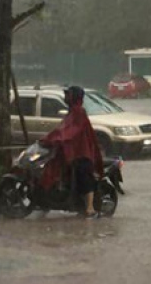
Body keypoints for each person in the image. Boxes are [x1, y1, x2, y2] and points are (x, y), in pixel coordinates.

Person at [40, 86, 104, 218]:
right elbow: (61, 129)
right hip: (71, 151)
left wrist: (58, 138)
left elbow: (71, 132)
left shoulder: (79, 112)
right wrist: (48, 138)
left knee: (84, 175)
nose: (65, 97)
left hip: (82, 151)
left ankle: (90, 208)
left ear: (74, 97)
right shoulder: (71, 112)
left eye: (68, 94)